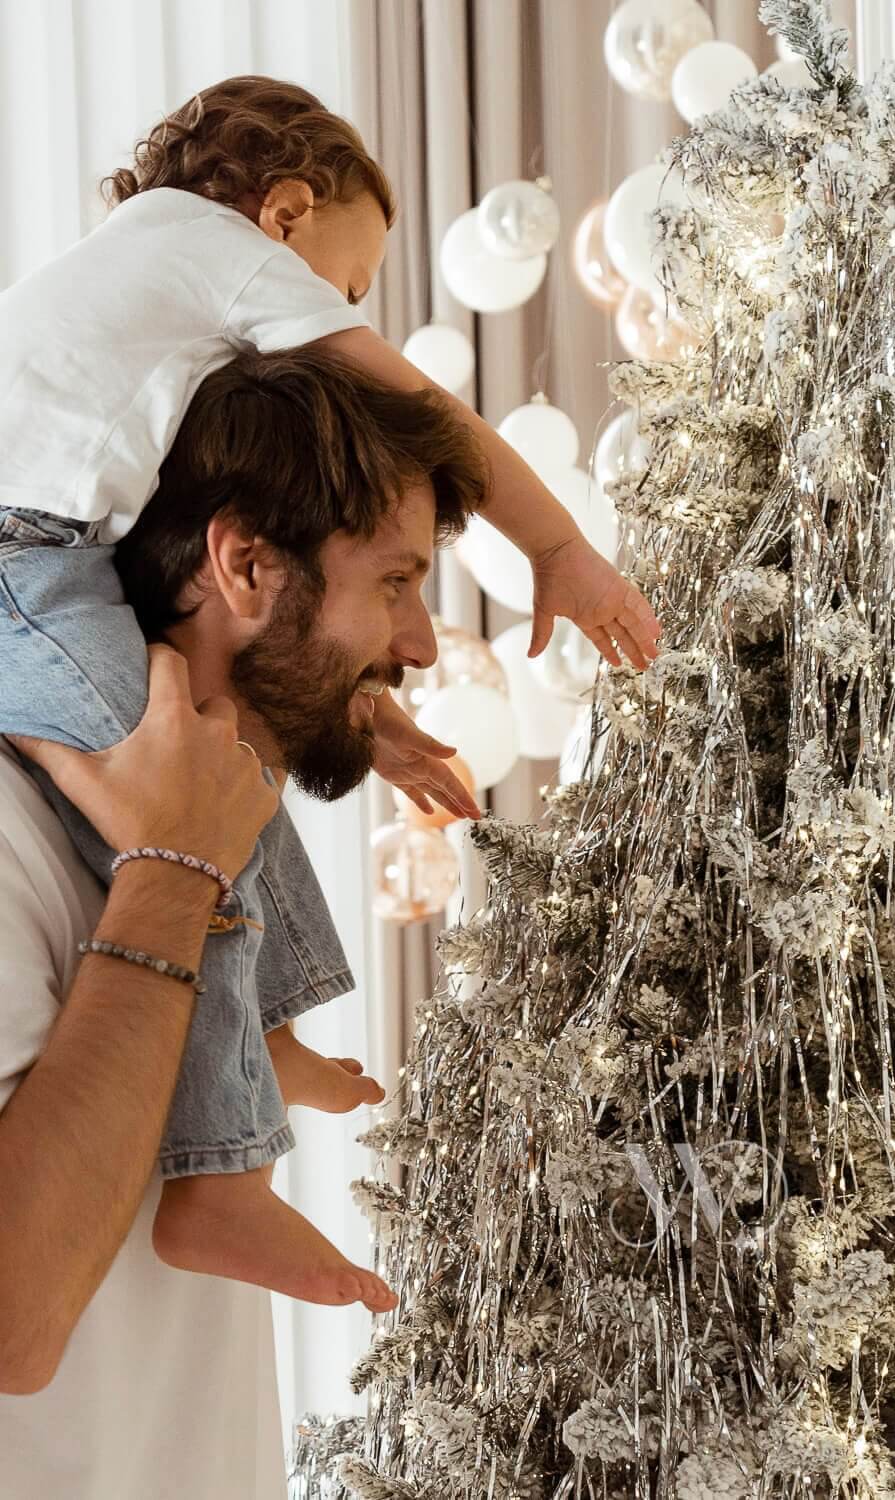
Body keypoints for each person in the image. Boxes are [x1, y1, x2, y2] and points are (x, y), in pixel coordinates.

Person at [0, 76, 660, 1315]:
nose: (331, 320)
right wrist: (556, 548)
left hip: (52, 551)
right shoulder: (209, 246)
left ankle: (260, 1036)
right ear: (286, 213)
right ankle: (221, 1178)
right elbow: (418, 404)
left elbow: (236, 605)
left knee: (226, 762)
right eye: (344, 287)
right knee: (176, 787)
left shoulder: (141, 294)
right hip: (17, 557)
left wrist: (358, 709)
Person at [0, 348, 487, 1499]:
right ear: (246, 563)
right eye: (395, 585)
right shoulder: (13, 834)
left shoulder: (223, 828)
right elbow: (12, 1320)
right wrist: (173, 873)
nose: (418, 647)